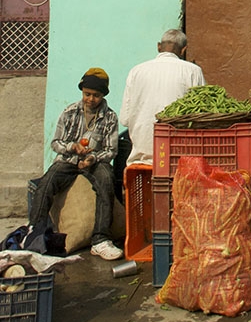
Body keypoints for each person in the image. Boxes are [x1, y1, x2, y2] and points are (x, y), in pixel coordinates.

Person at [29, 68, 122, 261]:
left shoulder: (110, 117)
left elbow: (111, 150)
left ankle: (100, 239)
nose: (91, 99)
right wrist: (72, 147)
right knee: (49, 180)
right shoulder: (70, 112)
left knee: (106, 179)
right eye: (87, 94)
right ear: (82, 92)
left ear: (103, 95)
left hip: (95, 162)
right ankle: (34, 233)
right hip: (69, 160)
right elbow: (56, 143)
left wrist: (92, 158)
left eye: (96, 95)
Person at [120, 29, 205, 165]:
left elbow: (124, 119)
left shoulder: (136, 71)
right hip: (179, 159)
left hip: (142, 160)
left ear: (159, 46)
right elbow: (201, 116)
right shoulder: (193, 71)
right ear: (183, 50)